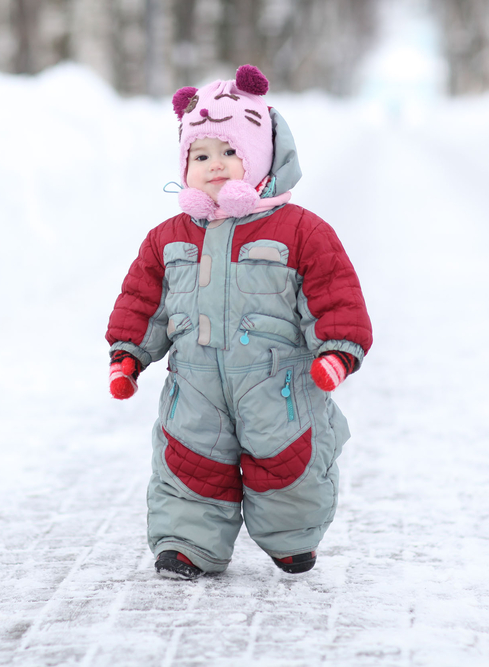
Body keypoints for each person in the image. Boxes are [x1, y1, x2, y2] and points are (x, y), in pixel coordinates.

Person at [105, 64, 372, 580]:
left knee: (287, 461)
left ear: (263, 156)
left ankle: (292, 538)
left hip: (280, 382)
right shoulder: (168, 237)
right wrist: (127, 356)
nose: (217, 165)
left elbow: (334, 294)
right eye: (201, 155)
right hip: (196, 382)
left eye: (231, 152)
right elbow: (143, 299)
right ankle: (187, 543)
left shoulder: (301, 231)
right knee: (189, 460)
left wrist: (336, 352)